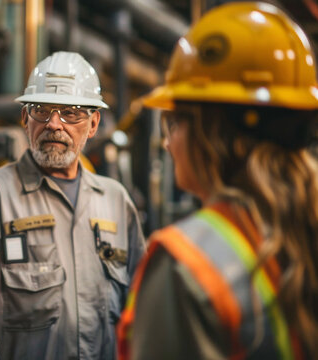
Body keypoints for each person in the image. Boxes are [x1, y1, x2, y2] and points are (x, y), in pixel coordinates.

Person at [117, 2, 318, 359]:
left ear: (210, 132)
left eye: (174, 122)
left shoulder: (185, 265)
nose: (167, 142)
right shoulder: (300, 230)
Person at [0, 51, 146, 360]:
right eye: (42, 110)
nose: (54, 124)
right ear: (25, 119)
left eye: (71, 112)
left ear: (93, 124)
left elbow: (140, 315)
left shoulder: (116, 203)